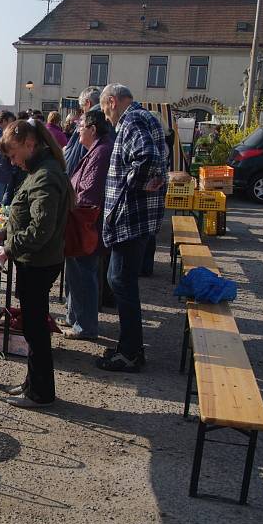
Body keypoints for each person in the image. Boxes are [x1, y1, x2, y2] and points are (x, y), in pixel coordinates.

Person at [0, 119, 72, 408]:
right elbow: (28, 217)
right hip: (35, 260)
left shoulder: (46, 175)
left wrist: (8, 247)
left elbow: (41, 229)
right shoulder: (40, 169)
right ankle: (32, 384)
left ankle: (41, 394)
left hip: (38, 262)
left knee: (35, 330)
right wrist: (5, 231)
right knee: (33, 326)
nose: (13, 162)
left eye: (14, 155)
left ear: (30, 144)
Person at [97, 83, 168, 372]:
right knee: (121, 281)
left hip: (130, 217)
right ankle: (129, 347)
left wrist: (129, 188)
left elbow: (147, 157)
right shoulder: (147, 116)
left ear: (112, 102)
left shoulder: (132, 119)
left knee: (121, 281)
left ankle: (130, 353)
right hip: (138, 217)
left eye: (103, 109)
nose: (105, 116)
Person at [60, 110, 114, 340]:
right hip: (82, 222)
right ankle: (75, 318)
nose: (78, 130)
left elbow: (89, 194)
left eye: (81, 126)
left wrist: (66, 201)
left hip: (86, 224)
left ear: (92, 129)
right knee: (77, 273)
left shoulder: (101, 152)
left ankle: (85, 326)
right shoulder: (96, 149)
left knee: (84, 274)